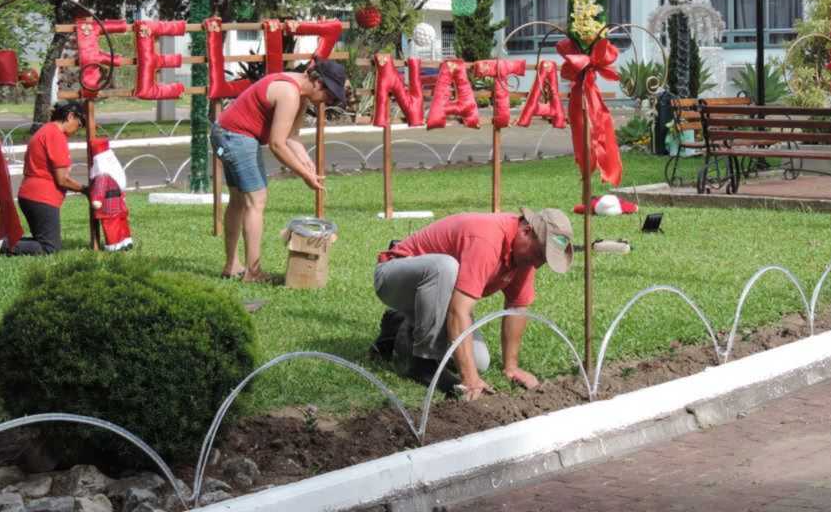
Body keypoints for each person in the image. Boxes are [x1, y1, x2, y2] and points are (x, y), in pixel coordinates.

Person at [371, 207, 574, 401]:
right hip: (394, 275)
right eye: (540, 254)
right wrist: (470, 379)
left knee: (479, 362)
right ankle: (422, 363)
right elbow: (459, 311)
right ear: (527, 231)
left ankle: (403, 326)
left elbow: (517, 307)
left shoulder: (524, 257)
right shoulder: (487, 238)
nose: (538, 263)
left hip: (437, 297)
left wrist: (511, 367)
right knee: (445, 267)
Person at [211, 58, 346, 283]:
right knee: (257, 201)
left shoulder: (299, 94)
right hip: (237, 136)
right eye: (329, 95)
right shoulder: (290, 94)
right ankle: (253, 273)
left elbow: (292, 137)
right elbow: (277, 144)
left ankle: (232, 265)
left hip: (225, 132)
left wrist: (306, 163)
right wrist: (303, 175)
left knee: (238, 201)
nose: (326, 102)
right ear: (318, 82)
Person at [0, 101, 87, 256]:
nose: (78, 129)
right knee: (50, 248)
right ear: (70, 116)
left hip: (32, 195)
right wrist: (85, 189)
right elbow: (62, 179)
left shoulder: (46, 130)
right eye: (80, 124)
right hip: (42, 198)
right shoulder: (56, 135)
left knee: (42, 241)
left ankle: (3, 240)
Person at [88, 137, 133, 251]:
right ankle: (125, 241)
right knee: (122, 223)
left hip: (108, 206)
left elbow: (100, 188)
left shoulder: (102, 174)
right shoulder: (115, 172)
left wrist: (96, 199)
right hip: (119, 204)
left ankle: (115, 246)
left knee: (111, 226)